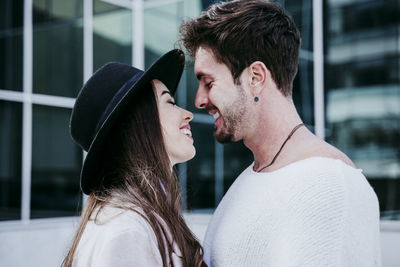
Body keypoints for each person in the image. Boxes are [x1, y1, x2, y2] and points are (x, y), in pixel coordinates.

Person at [179, 1, 381, 266]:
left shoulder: (329, 185)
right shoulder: (252, 177)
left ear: (255, 77)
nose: (199, 100)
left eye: (209, 82)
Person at [62, 49, 206, 267]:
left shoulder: (142, 215)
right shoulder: (128, 232)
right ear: (138, 123)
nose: (188, 114)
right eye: (170, 103)